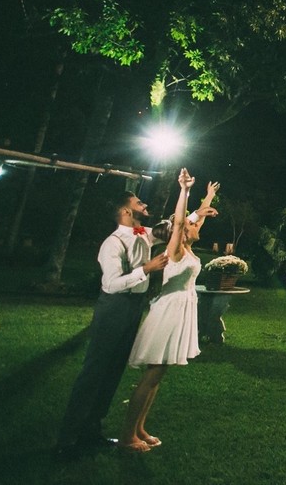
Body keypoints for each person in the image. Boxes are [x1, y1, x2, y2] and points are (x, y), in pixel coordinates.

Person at [55, 191, 169, 459]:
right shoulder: (112, 243)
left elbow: (172, 230)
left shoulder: (142, 233)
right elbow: (110, 284)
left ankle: (91, 431)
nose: (144, 204)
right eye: (138, 202)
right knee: (94, 372)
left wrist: (198, 209)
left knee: (113, 371)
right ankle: (67, 440)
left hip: (134, 307)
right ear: (126, 212)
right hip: (114, 308)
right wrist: (146, 269)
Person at [120, 171, 218, 452]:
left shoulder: (187, 247)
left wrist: (208, 197)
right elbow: (179, 222)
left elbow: (193, 220)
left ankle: (140, 428)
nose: (197, 224)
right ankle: (127, 436)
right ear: (183, 231)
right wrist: (184, 190)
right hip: (168, 312)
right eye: (191, 224)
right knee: (151, 375)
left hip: (179, 311)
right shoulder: (176, 250)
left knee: (158, 374)